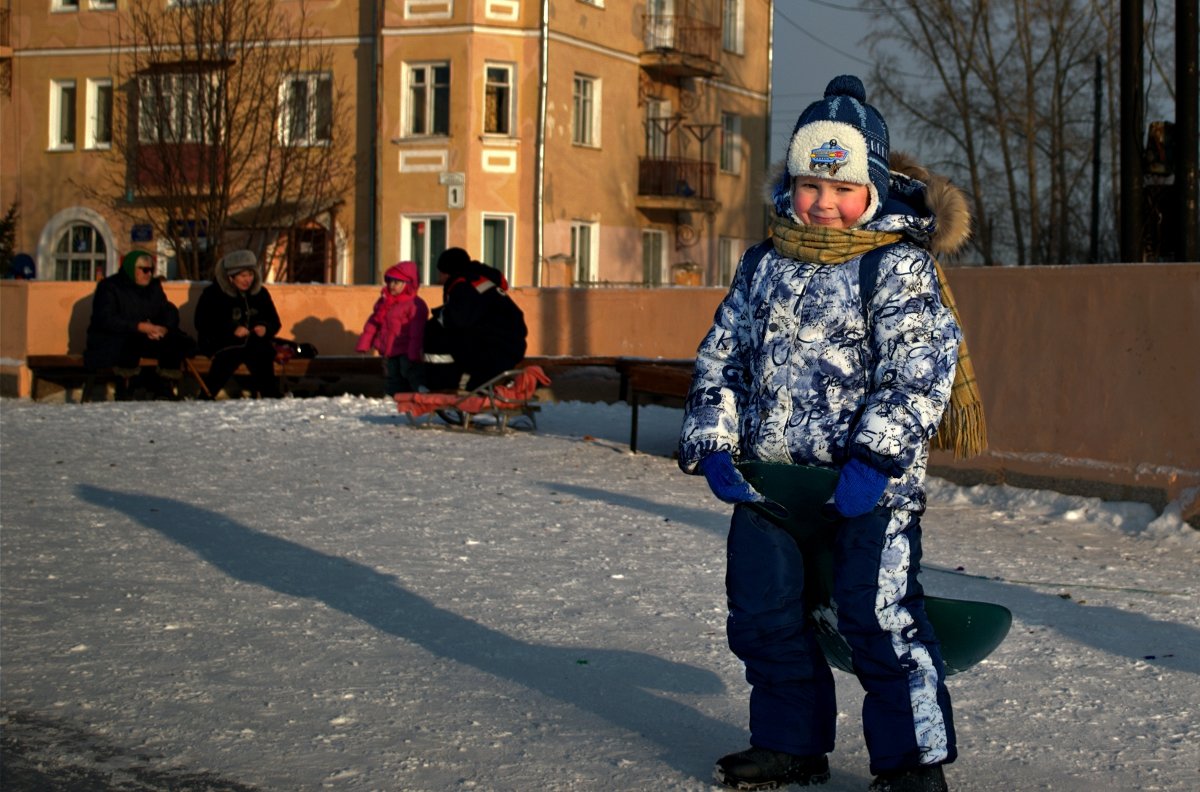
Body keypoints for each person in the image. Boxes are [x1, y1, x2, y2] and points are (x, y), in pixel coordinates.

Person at [678, 75, 985, 792]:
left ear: (873, 187)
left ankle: (912, 764)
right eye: (811, 185)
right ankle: (789, 743)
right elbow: (721, 356)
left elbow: (919, 371)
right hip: (772, 482)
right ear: (792, 184)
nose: (823, 203)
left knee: (878, 620)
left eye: (842, 187)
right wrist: (717, 443)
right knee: (764, 615)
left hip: (865, 490)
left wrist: (877, 458)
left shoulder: (897, 266)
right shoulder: (763, 263)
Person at [84, 250, 194, 399]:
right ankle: (126, 389)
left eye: (151, 270)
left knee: (175, 341)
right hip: (114, 339)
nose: (148, 274)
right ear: (131, 269)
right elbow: (106, 319)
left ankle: (163, 386)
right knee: (131, 344)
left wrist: (164, 328)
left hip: (148, 337)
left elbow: (167, 309)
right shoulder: (109, 287)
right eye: (144, 270)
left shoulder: (153, 287)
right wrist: (139, 327)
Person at [427, 247, 527, 391]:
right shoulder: (478, 280)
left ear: (447, 272)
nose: (439, 277)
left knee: (435, 332)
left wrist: (438, 316)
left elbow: (458, 319)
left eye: (441, 272)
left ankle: (446, 384)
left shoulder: (463, 286)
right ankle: (482, 383)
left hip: (495, 349)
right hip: (510, 346)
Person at [194, 249, 283, 399]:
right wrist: (231, 329)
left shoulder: (260, 294)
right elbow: (203, 322)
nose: (247, 280)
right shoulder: (212, 294)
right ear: (230, 277)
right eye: (243, 276)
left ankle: (271, 396)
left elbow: (274, 321)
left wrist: (265, 328)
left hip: (253, 343)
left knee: (263, 352)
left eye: (250, 275)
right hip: (221, 343)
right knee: (231, 354)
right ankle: (207, 396)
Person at [356, 260, 429, 395]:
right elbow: (373, 324)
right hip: (389, 350)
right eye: (389, 281)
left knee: (410, 373)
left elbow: (417, 332)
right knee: (392, 377)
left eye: (396, 282)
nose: (391, 286)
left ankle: (421, 393)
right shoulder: (385, 302)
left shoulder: (414, 304)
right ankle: (393, 399)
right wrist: (364, 343)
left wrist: (414, 351)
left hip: (406, 350)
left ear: (408, 284)